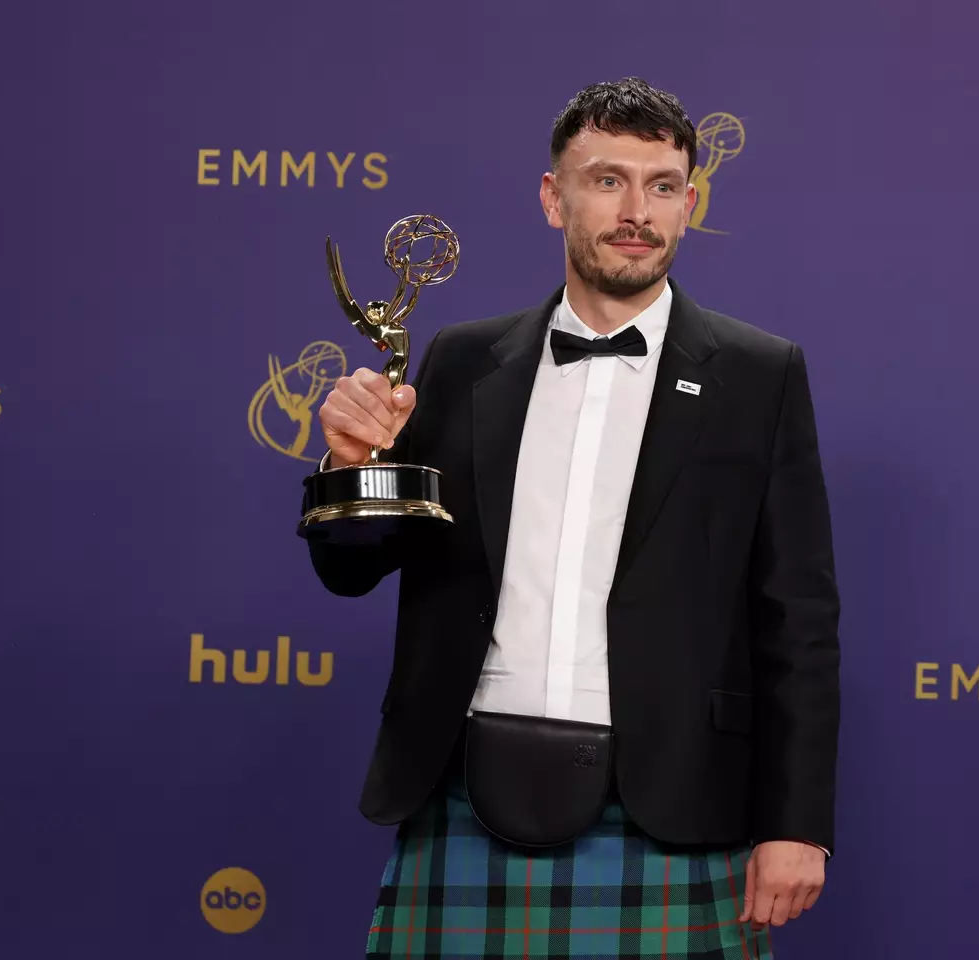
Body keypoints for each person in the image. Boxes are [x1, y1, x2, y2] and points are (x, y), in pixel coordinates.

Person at [304, 76, 841, 959]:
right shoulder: (461, 361)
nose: (637, 212)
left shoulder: (760, 375)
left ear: (689, 205)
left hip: (672, 801)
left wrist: (798, 822)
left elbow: (799, 620)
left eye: (662, 186)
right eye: (607, 180)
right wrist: (349, 471)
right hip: (462, 792)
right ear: (554, 199)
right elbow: (350, 567)